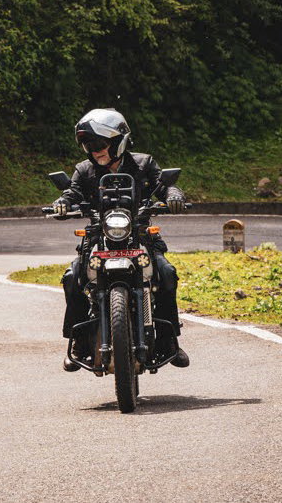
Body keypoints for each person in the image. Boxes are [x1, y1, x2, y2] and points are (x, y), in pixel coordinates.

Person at [51, 108, 190, 371]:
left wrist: (174, 195)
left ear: (118, 141)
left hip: (139, 237)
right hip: (98, 240)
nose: (94, 150)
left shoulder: (143, 164)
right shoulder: (84, 170)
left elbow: (163, 185)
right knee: (73, 277)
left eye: (99, 143)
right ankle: (78, 341)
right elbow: (72, 192)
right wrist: (61, 203)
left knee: (167, 273)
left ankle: (169, 342)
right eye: (88, 145)